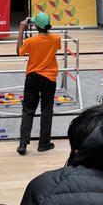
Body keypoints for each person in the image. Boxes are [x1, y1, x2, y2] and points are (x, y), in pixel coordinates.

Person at [16, 11, 62, 155]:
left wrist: (21, 30)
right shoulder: (56, 38)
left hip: (33, 77)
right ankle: (44, 143)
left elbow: (19, 51)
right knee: (47, 110)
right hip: (49, 78)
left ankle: (23, 143)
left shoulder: (31, 41)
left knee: (28, 109)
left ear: (35, 26)